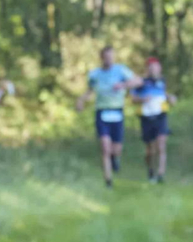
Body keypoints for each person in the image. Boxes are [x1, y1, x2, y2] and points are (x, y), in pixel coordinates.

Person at [75, 45, 143, 188]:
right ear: (102, 58)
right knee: (105, 147)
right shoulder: (95, 74)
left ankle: (115, 158)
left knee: (116, 149)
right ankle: (108, 180)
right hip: (102, 112)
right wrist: (81, 101)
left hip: (117, 112)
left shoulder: (121, 70)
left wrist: (123, 85)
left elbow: (138, 81)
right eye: (106, 57)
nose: (109, 60)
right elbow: (89, 91)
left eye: (111, 57)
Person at [133, 56, 177, 184]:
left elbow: (164, 94)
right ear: (147, 68)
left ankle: (161, 174)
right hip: (146, 117)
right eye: (150, 67)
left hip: (161, 116)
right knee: (150, 150)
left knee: (161, 145)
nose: (153, 69)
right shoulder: (141, 82)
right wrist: (142, 99)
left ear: (159, 68)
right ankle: (151, 170)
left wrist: (171, 98)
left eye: (155, 66)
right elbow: (133, 99)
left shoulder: (162, 81)